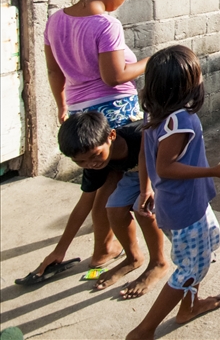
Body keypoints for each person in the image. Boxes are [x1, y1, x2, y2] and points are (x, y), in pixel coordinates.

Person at [127, 46, 220, 340]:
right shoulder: (181, 121)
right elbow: (166, 167)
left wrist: (145, 189)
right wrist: (213, 171)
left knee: (207, 245)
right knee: (190, 268)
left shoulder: (157, 113)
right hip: (185, 209)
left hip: (182, 203)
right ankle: (144, 330)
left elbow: (145, 154)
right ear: (185, 86)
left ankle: (189, 306)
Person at [45, 0, 149, 268]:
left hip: (81, 112)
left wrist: (61, 104)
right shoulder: (105, 24)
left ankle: (102, 246)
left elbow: (54, 72)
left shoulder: (56, 20)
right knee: (112, 186)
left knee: (98, 186)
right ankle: (106, 247)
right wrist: (152, 61)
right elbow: (114, 76)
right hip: (114, 112)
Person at [34, 112, 169, 298]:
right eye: (79, 162)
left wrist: (150, 189)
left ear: (111, 136)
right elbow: (83, 205)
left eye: (95, 155)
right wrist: (60, 250)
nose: (90, 164)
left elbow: (163, 157)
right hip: (132, 175)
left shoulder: (138, 137)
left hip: (158, 168)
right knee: (112, 208)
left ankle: (158, 262)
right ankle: (133, 257)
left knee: (142, 208)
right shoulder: (93, 164)